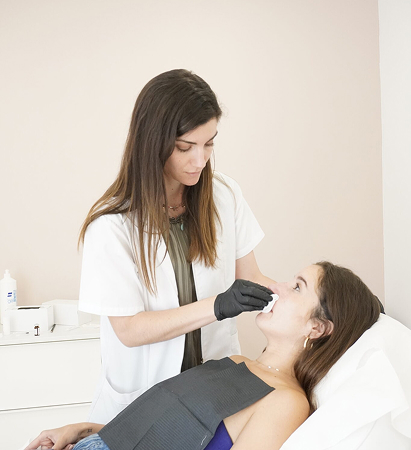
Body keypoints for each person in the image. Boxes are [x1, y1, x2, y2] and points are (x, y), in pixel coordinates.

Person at [77, 69, 275, 423]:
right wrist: (217, 305)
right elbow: (129, 330)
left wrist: (329, 308)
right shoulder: (111, 226)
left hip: (212, 394)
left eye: (209, 143)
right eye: (185, 147)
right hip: (143, 403)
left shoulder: (224, 196)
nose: (201, 160)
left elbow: (252, 279)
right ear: (153, 142)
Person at [26, 261, 382, 450]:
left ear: (318, 327)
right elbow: (162, 433)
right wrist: (85, 430)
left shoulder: (286, 402)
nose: (277, 286)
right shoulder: (239, 363)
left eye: (297, 287)